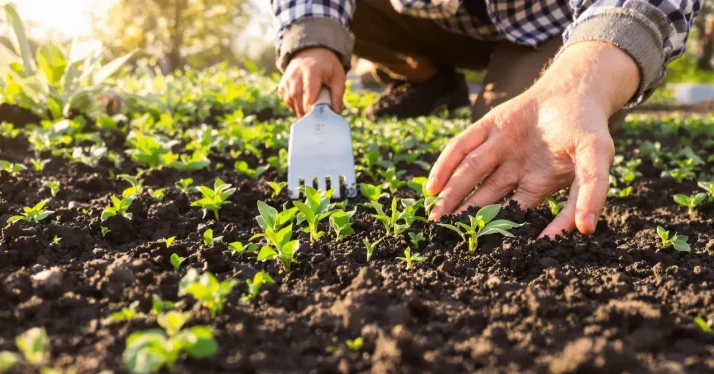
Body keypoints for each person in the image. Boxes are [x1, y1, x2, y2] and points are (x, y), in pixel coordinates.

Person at [270, 0, 701, 238]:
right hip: (429, 17)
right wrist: (312, 35)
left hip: (553, 23)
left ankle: (550, 75)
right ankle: (429, 77)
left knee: (520, 139)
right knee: (329, 21)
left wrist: (588, 76)